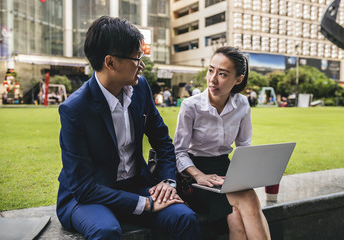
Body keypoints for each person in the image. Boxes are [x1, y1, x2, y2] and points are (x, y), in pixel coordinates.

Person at [56, 16, 200, 240]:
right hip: (88, 196)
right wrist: (144, 204)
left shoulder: (140, 87)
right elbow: (83, 187)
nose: (142, 65)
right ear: (110, 62)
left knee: (184, 217)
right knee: (106, 232)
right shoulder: (75, 109)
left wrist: (168, 183)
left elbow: (162, 140)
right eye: (136, 58)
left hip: (135, 185)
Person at [174, 46, 271, 240]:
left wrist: (248, 173)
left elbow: (243, 146)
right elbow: (179, 153)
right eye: (211, 70)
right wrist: (199, 176)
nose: (213, 79)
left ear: (238, 79)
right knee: (250, 199)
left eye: (223, 74)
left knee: (237, 221)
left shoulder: (242, 104)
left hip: (225, 171)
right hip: (193, 178)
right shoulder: (190, 106)